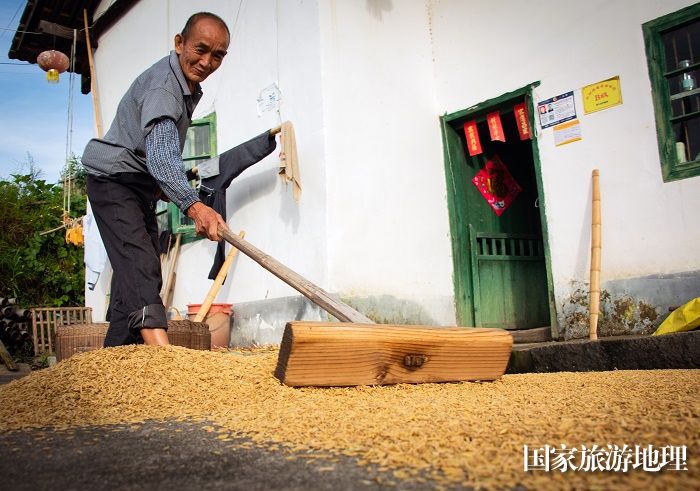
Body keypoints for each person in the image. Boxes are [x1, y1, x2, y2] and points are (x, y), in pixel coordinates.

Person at [82, 12, 230, 347]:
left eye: (218, 55)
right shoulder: (165, 86)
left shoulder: (186, 86)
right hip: (114, 181)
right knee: (141, 263)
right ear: (179, 44)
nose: (207, 61)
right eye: (201, 49)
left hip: (137, 186)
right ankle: (163, 358)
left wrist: (164, 188)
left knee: (131, 282)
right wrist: (195, 207)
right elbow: (162, 156)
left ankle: (115, 359)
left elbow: (156, 158)